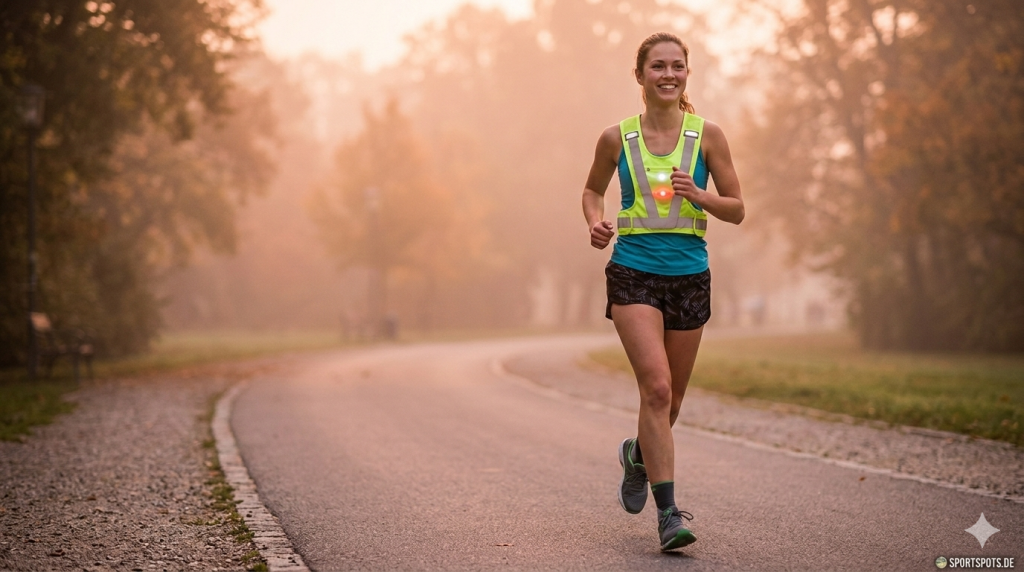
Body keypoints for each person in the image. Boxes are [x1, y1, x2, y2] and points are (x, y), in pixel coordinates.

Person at [581, 32, 744, 552]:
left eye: (677, 66)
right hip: (633, 273)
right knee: (655, 388)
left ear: (687, 74)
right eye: (658, 66)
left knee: (669, 405)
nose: (668, 75)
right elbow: (591, 190)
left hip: (690, 277)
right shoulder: (616, 138)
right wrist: (595, 221)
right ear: (641, 75)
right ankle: (669, 515)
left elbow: (737, 208)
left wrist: (701, 195)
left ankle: (636, 455)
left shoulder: (708, 135)